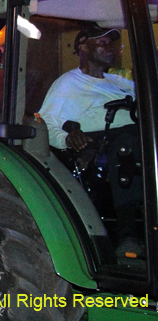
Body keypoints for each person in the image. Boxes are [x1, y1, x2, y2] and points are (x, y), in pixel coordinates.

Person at [38, 25, 140, 255]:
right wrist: (67, 139)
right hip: (102, 142)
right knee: (126, 142)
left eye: (111, 43)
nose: (110, 48)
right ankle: (128, 235)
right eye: (102, 43)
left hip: (138, 134)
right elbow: (46, 123)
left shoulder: (122, 82)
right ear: (83, 47)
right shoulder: (67, 83)